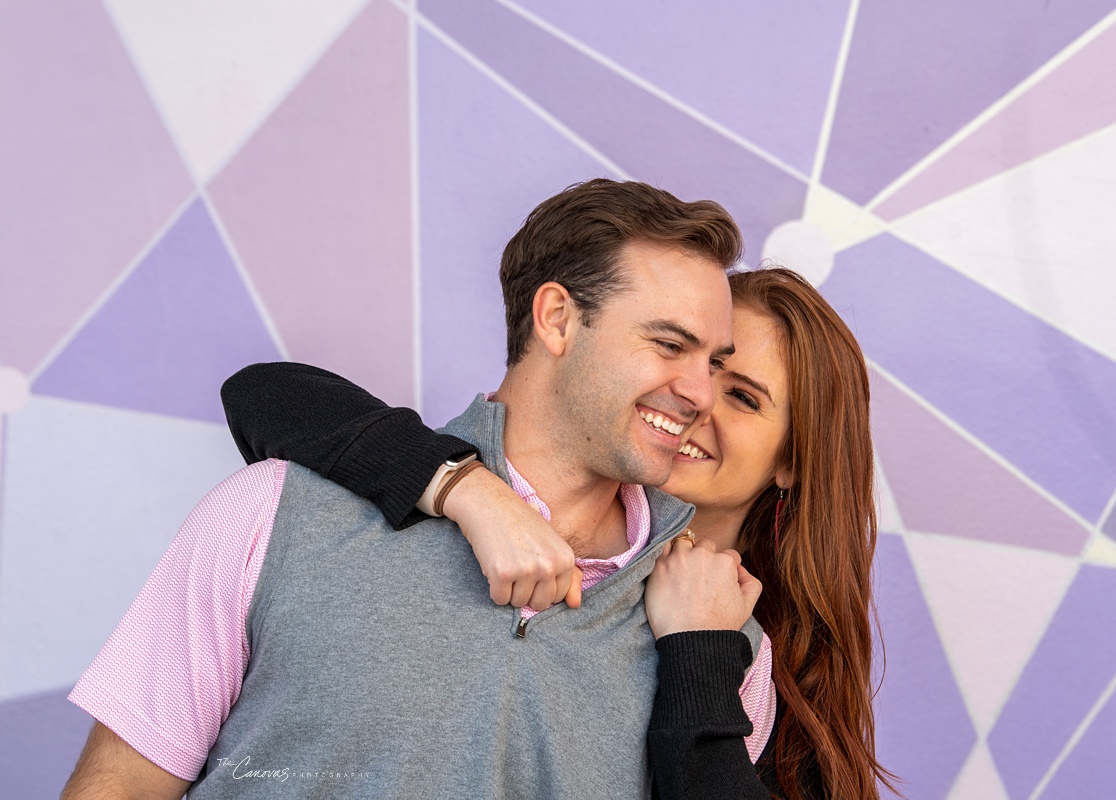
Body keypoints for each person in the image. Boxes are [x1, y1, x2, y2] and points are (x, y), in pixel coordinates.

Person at [63, 179, 771, 799]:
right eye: (670, 345)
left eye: (716, 363)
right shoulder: (272, 514)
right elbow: (119, 786)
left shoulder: (718, 641)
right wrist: (467, 489)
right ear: (557, 318)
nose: (700, 392)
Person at [220, 268, 900, 799]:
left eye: (743, 396)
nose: (695, 395)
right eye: (691, 358)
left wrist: (701, 653)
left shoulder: (766, 674)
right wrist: (472, 493)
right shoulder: (487, 511)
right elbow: (266, 394)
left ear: (792, 460)